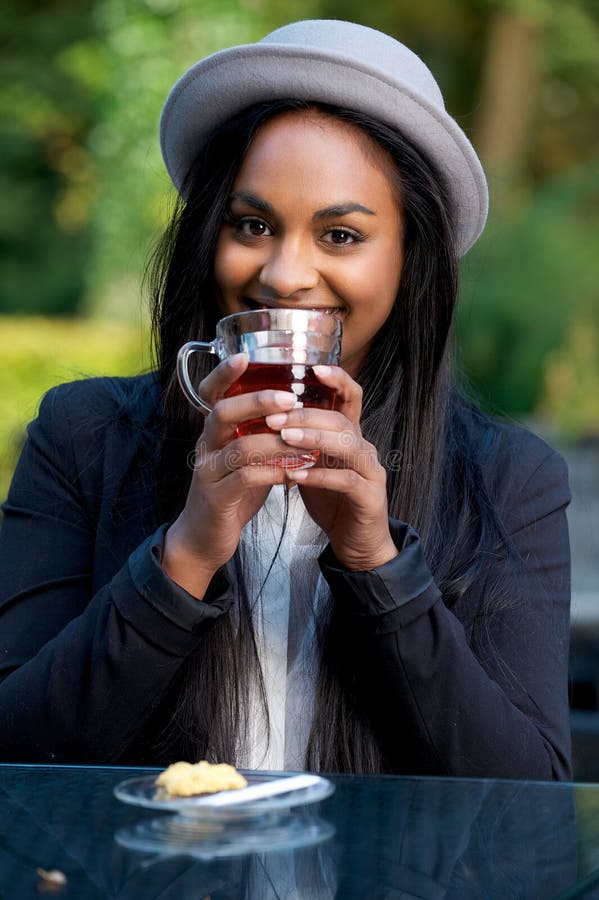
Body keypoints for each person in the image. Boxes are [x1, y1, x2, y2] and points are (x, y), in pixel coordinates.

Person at [0, 20, 572, 779]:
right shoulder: (83, 436)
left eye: (340, 235)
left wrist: (376, 565)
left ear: (411, 261)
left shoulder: (508, 479)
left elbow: (531, 799)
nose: (283, 274)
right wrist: (188, 552)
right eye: (252, 224)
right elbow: (15, 756)